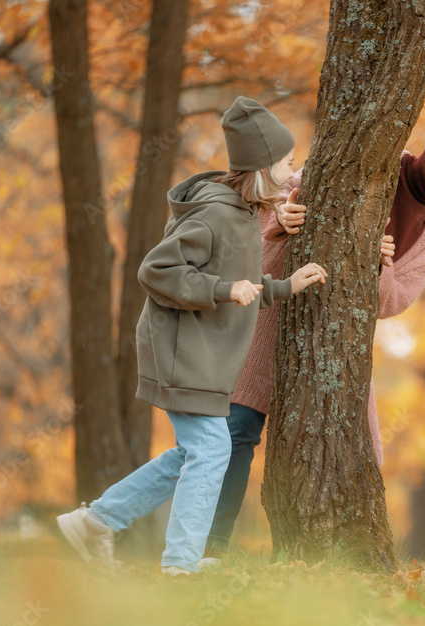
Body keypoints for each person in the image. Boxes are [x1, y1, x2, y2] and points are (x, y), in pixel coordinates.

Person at [201, 116, 425, 564]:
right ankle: (207, 551)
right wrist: (282, 213)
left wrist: (383, 266)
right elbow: (268, 203)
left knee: (330, 442)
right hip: (267, 310)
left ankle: (312, 558)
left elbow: (393, 301)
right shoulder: (371, 161)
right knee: (236, 432)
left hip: (333, 338)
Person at [55, 96, 327, 575]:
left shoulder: (245, 212)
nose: (293, 170)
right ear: (262, 166)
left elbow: (237, 278)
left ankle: (96, 521)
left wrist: (283, 286)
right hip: (182, 352)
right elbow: (156, 270)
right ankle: (180, 565)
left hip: (203, 354)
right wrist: (223, 289)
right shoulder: (216, 214)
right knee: (212, 450)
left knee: (192, 452)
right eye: (287, 162)